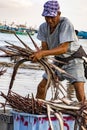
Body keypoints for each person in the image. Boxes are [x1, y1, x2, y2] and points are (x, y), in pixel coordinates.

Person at [30, 0, 86, 102]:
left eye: (52, 17)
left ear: (59, 14)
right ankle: (38, 113)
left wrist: (42, 53)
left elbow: (63, 48)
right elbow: (45, 48)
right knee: (42, 87)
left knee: (79, 91)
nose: (50, 20)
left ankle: (85, 115)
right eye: (47, 17)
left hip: (74, 60)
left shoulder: (65, 23)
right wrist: (37, 54)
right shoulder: (43, 27)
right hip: (58, 61)